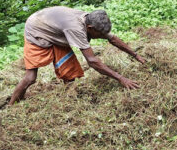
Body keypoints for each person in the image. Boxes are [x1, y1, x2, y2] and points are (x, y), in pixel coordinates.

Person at [9, 6, 145, 105]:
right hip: (37, 29)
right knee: (31, 77)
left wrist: (135, 55)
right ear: (90, 28)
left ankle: (68, 98)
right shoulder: (76, 29)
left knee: (70, 73)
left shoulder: (92, 20)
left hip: (54, 28)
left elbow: (113, 39)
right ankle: (12, 105)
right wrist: (121, 79)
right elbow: (92, 61)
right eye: (100, 34)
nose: (102, 37)